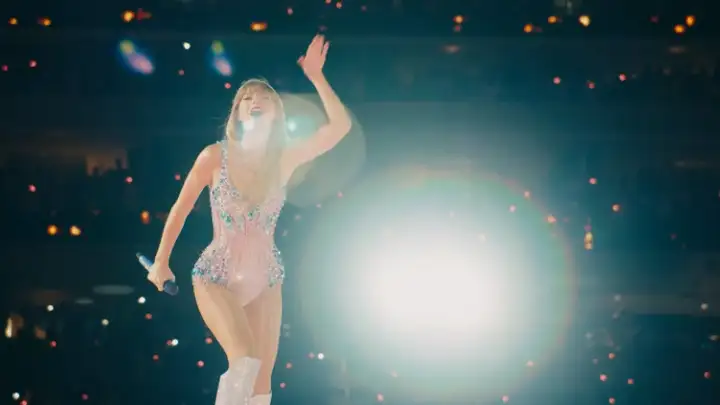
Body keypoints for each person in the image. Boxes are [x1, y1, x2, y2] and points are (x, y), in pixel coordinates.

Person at [147, 34, 352, 405]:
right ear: (237, 114)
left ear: (277, 114)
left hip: (265, 275)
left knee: (261, 381)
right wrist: (161, 262)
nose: (255, 101)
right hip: (216, 273)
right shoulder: (214, 156)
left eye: (265, 98)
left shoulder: (285, 158)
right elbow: (180, 208)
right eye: (246, 98)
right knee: (243, 360)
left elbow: (339, 128)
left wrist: (316, 77)